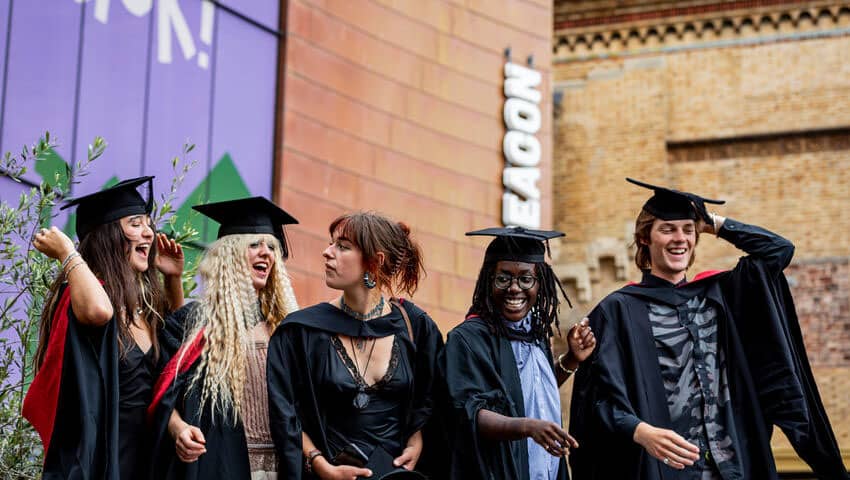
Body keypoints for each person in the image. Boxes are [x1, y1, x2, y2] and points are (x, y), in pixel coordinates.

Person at [569, 178, 849, 480]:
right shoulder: (618, 310)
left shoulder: (720, 294)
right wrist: (641, 431)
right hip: (664, 470)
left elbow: (779, 251)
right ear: (645, 238)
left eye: (687, 230)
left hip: (733, 467)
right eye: (667, 229)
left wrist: (713, 224)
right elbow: (597, 400)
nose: (680, 238)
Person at [23, 176, 185, 480]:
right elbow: (100, 311)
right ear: (109, 236)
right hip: (100, 462)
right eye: (135, 224)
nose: (149, 232)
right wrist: (68, 253)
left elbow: (175, 351)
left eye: (149, 224)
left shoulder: (142, 307)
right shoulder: (82, 295)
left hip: (144, 461)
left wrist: (173, 280)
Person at [267, 212, 443, 480]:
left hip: (394, 474)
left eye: (343, 246)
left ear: (375, 261)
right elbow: (284, 412)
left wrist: (416, 438)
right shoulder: (302, 331)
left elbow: (432, 400)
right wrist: (319, 463)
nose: (327, 252)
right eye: (331, 243)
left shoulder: (416, 327)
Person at [147, 196, 300, 480]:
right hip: (220, 466)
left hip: (279, 469)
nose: (265, 253)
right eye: (254, 245)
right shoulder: (197, 324)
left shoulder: (287, 330)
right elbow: (162, 391)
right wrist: (179, 429)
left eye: (271, 247)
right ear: (230, 254)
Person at [441, 227, 596, 480]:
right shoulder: (469, 339)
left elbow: (526, 391)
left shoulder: (535, 333)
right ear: (489, 280)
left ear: (540, 283)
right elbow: (468, 413)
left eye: (526, 279)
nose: (515, 288)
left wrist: (571, 359)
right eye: (503, 278)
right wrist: (528, 426)